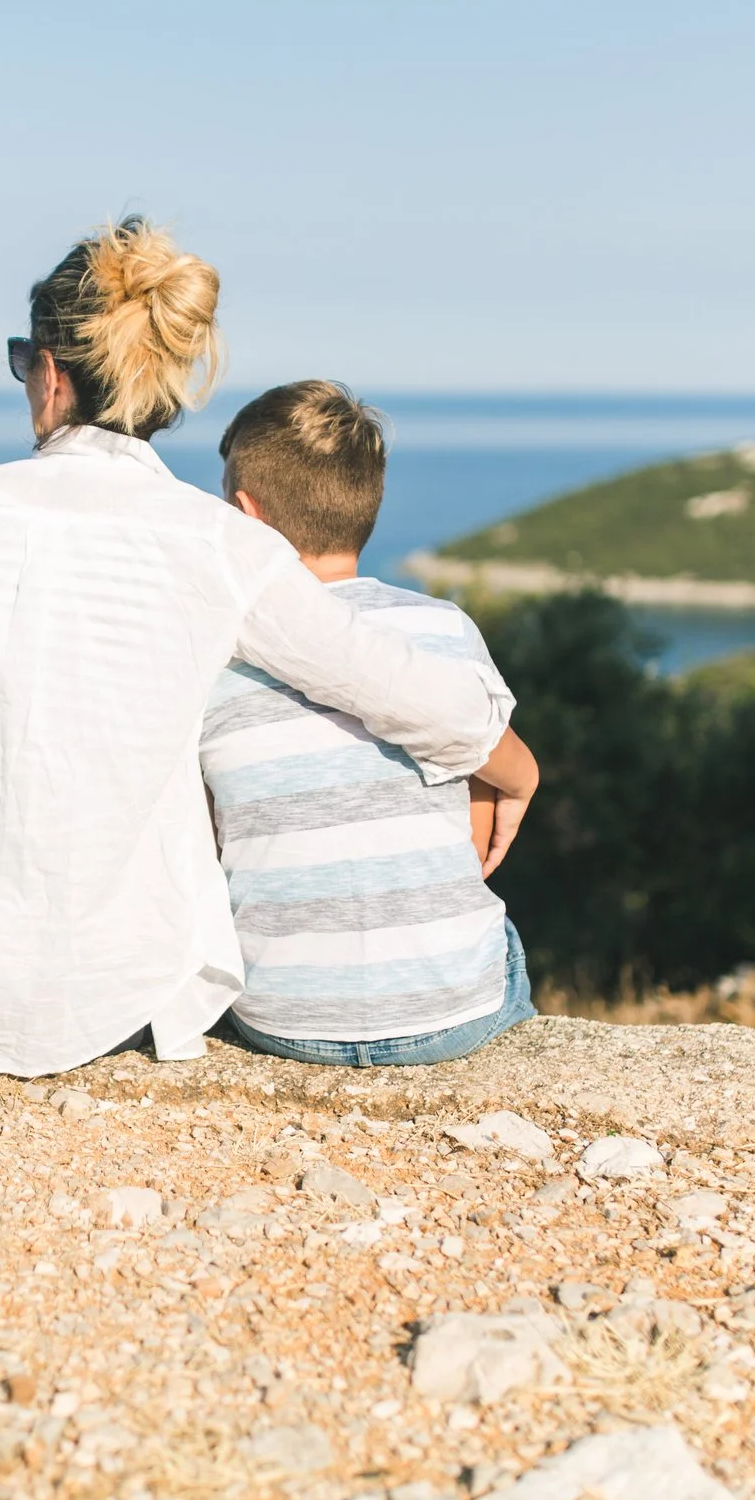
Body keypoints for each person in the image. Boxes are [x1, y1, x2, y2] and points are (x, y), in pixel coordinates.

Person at [0, 218, 520, 1077]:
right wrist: (512, 767)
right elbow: (402, 687)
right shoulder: (223, 546)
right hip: (111, 1004)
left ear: (50, 376)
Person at [201, 381, 539, 1066]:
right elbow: (475, 842)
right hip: (453, 1014)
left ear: (246, 516)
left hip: (283, 1016)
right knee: (493, 941)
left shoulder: (213, 656)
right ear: (366, 506)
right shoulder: (443, 628)